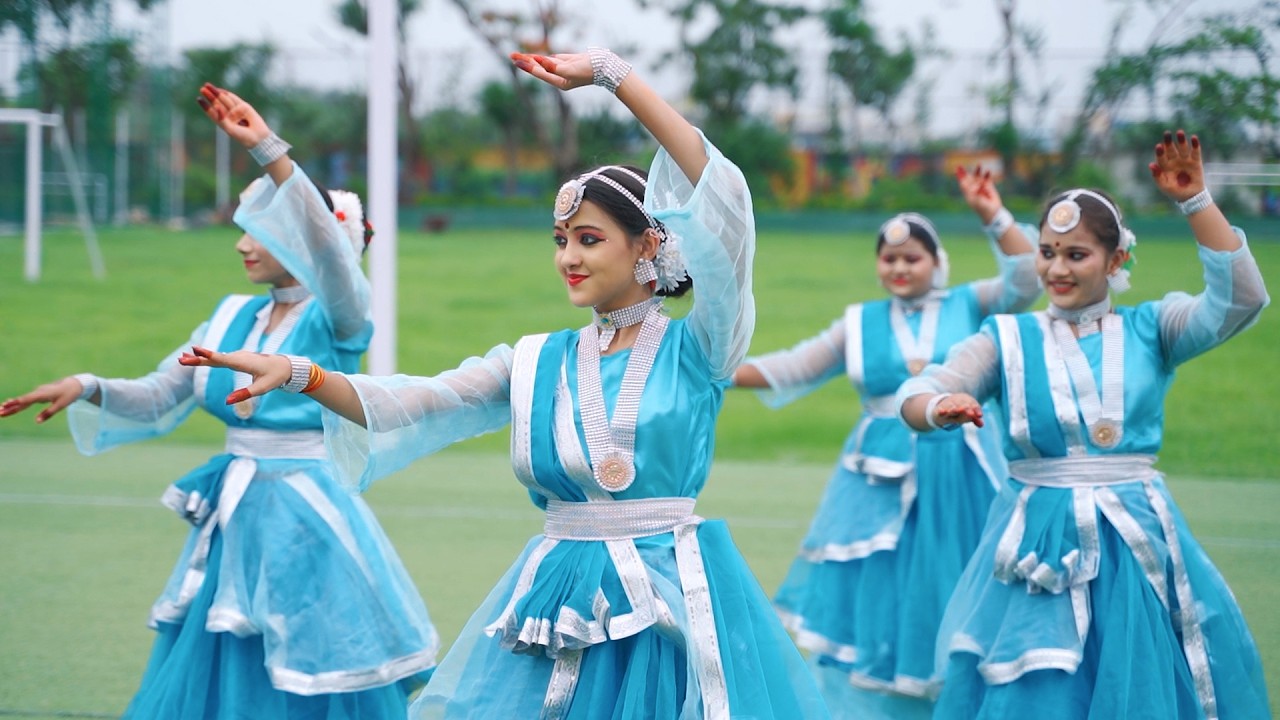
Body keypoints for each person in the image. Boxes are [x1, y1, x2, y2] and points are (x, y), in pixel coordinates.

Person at [176, 49, 829, 719]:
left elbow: (724, 203)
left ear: (646, 245)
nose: (568, 258)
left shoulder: (701, 348)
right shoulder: (537, 360)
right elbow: (413, 400)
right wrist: (301, 374)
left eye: (589, 239)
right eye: (560, 240)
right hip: (560, 591)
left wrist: (613, 76)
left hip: (669, 599)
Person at [1, 84, 439, 718]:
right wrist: (88, 386)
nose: (242, 245)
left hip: (308, 522)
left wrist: (269, 151)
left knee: (307, 665)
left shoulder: (340, 317)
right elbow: (160, 395)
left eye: (260, 233)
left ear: (302, 239)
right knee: (229, 660)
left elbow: (328, 251)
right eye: (243, 232)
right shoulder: (232, 315)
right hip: (237, 517)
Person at [897, 130, 1270, 719]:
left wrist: (1196, 201)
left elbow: (1241, 300)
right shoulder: (1008, 338)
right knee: (1040, 685)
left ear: (1116, 260)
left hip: (1136, 543)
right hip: (1039, 547)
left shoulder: (1153, 329)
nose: (1057, 268)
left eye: (1076, 255)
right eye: (1047, 252)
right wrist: (936, 409)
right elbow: (918, 391)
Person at [732, 169, 1040, 718]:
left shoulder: (972, 304)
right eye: (889, 258)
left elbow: (1027, 276)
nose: (899, 267)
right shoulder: (861, 322)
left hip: (961, 470)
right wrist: (715, 371)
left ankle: (961, 683)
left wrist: (992, 214)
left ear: (936, 262)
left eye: (912, 258)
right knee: (884, 577)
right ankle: (890, 695)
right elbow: (797, 365)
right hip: (878, 477)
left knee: (958, 568)